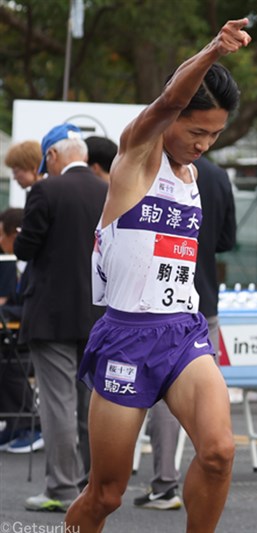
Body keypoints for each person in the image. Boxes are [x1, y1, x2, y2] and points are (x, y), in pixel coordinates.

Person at [65, 19, 250, 533]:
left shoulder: (194, 174)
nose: (204, 145)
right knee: (106, 494)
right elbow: (169, 102)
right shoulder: (137, 156)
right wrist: (214, 49)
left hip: (183, 332)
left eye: (215, 134)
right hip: (127, 336)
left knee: (218, 452)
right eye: (196, 131)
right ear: (172, 120)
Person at [133, 155, 237, 511]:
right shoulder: (219, 176)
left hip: (159, 305)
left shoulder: (146, 168)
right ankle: (207, 470)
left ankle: (164, 481)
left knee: (164, 392)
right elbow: (227, 238)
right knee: (207, 394)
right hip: (205, 299)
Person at [14, 124, 107, 511]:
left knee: (57, 403)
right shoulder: (109, 189)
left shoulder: (45, 190)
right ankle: (93, 485)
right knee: (92, 404)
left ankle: (61, 489)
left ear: (52, 156)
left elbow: (25, 247)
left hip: (51, 315)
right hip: (99, 314)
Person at [0, 207, 41, 454]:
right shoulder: (19, 262)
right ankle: (17, 423)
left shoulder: (33, 262)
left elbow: (26, 304)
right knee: (5, 358)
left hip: (38, 335)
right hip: (24, 331)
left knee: (10, 362)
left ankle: (30, 424)